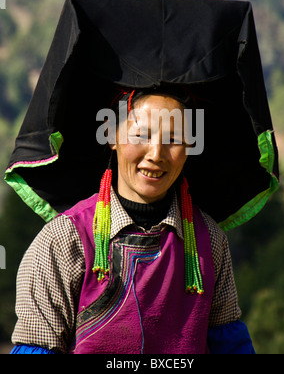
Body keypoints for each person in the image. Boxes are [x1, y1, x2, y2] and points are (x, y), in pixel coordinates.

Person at [10, 86, 255, 354]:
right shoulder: (64, 240)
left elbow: (230, 345)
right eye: (142, 135)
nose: (156, 154)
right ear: (111, 134)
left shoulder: (208, 239)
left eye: (174, 139)